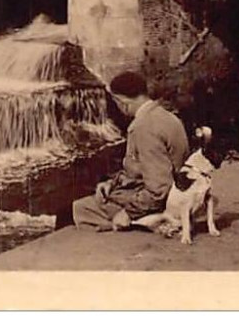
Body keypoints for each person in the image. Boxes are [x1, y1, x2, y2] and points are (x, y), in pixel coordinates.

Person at [72, 71, 189, 231]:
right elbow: (144, 168)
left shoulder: (144, 127)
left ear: (122, 102)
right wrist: (112, 183)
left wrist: (128, 213)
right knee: (95, 198)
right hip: (177, 195)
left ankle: (130, 229)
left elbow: (158, 189)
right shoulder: (168, 117)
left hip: (159, 205)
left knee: (77, 208)